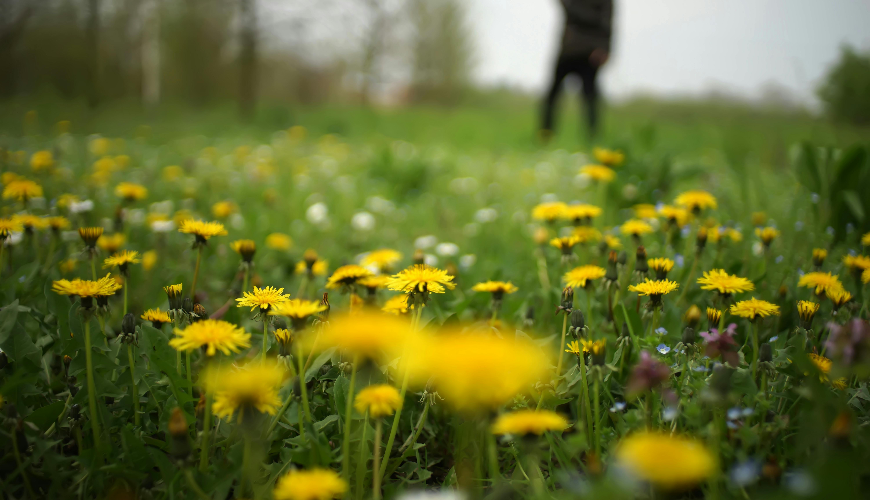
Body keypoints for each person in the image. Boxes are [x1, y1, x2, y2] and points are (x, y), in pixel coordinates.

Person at [540, 0, 613, 142]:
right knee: (553, 94)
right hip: (568, 49)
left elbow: (606, 21)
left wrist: (605, 49)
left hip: (589, 52)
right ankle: (545, 134)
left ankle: (593, 137)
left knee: (590, 97)